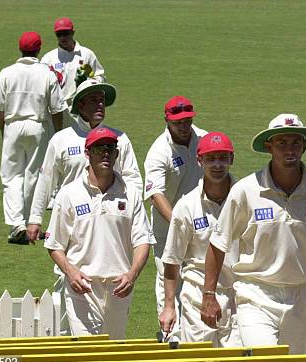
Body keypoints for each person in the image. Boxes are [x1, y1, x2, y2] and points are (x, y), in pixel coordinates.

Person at [201, 114, 306, 354]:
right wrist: (209, 294)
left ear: (304, 145)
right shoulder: (246, 190)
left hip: (302, 294)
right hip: (256, 294)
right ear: (269, 147)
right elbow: (218, 243)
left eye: (295, 142)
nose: (289, 149)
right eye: (281, 143)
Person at [44, 127, 153, 340]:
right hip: (83, 288)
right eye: (99, 148)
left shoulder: (130, 194)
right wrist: (71, 272)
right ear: (87, 153)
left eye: (110, 148)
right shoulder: (69, 194)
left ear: (116, 155)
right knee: (88, 351)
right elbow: (54, 244)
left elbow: (143, 240)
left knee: (114, 351)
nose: (105, 153)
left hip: (119, 288)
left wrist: (132, 275)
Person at [27, 79, 142, 242]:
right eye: (94, 100)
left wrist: (133, 211)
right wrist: (35, 219)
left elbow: (133, 179)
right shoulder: (61, 139)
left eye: (102, 100)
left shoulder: (120, 139)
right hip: (71, 215)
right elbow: (46, 179)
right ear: (80, 105)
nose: (100, 105)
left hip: (110, 216)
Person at [159, 132, 241, 347]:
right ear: (199, 161)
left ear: (231, 159)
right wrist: (169, 306)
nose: (217, 165)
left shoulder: (246, 198)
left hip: (239, 295)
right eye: (210, 158)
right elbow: (172, 259)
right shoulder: (186, 207)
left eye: (223, 158)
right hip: (196, 296)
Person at [0, 31, 66, 244]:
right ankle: (30, 221)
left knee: (11, 176)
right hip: (39, 126)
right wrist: (58, 134)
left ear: (20, 48)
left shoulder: (6, 72)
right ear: (39, 49)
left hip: (13, 125)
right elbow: (57, 109)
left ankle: (17, 224)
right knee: (34, 174)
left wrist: (4, 129)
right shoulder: (47, 73)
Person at [144, 96, 208, 325]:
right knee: (168, 278)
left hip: (203, 224)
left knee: (202, 277)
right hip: (168, 230)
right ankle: (169, 334)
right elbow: (156, 194)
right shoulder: (159, 151)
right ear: (167, 120)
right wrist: (180, 224)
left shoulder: (203, 138)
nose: (183, 126)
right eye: (177, 122)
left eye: (187, 121)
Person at [41, 17, 105, 127]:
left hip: (82, 107)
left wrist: (88, 79)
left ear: (72, 32)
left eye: (65, 33)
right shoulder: (49, 59)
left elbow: (100, 78)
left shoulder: (86, 54)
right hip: (58, 109)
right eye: (59, 34)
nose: (62, 37)